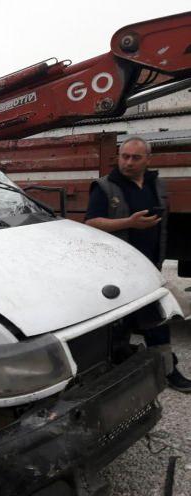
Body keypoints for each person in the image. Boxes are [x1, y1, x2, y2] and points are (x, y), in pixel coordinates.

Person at [85, 136, 191, 392]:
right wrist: (128, 223)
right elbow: (91, 224)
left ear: (148, 160)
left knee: (157, 321)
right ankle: (116, 378)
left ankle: (167, 369)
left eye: (135, 157)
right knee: (118, 326)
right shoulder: (105, 187)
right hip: (119, 270)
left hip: (150, 266)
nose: (128, 162)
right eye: (124, 156)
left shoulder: (157, 184)